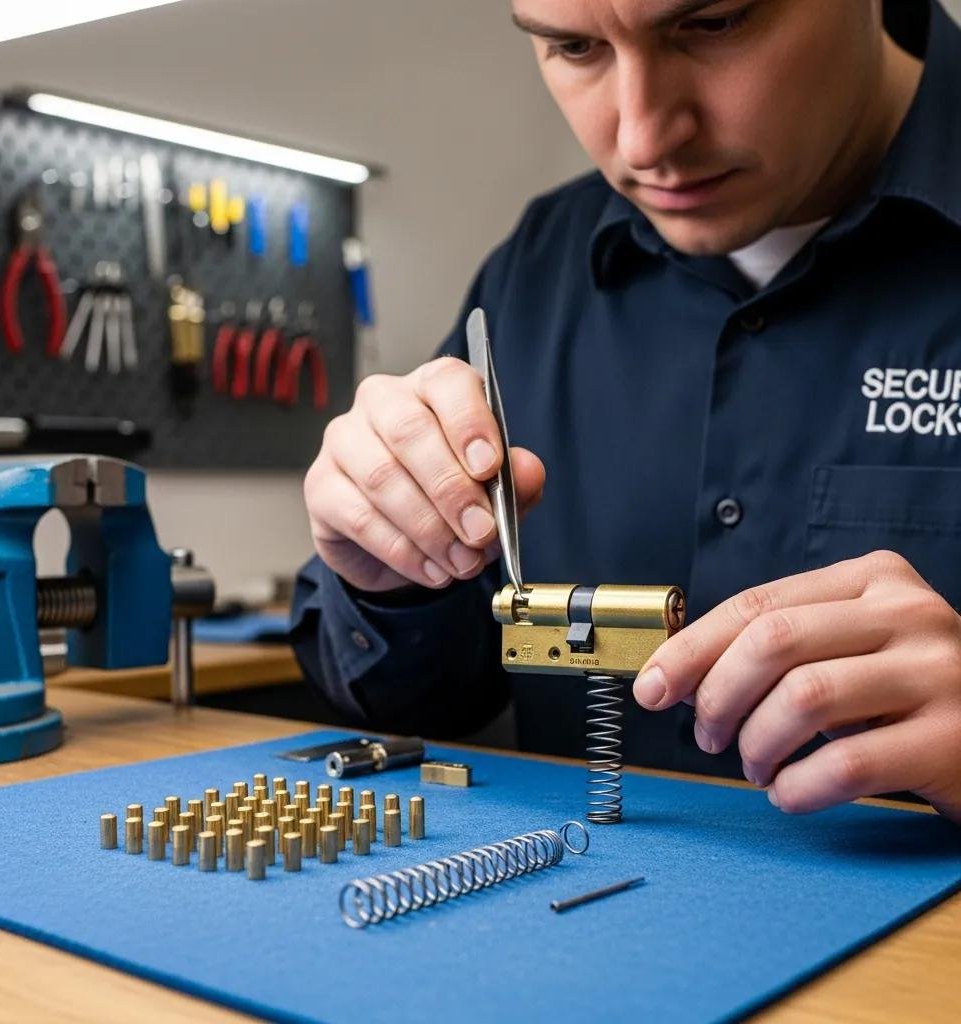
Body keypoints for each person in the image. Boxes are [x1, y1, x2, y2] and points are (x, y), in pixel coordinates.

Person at [290, 0, 961, 824]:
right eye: (574, 46)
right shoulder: (535, 270)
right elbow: (434, 705)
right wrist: (395, 587)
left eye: (713, 23)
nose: (644, 140)